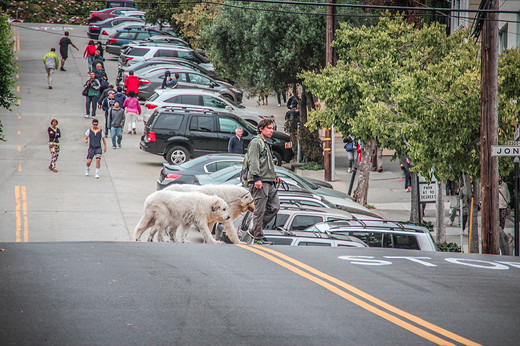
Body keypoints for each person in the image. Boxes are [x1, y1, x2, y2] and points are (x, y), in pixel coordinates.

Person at [245, 119, 281, 245]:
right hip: (260, 182)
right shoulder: (256, 142)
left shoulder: (266, 143)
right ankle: (258, 236)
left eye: (272, 128)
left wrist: (275, 176)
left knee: (275, 206)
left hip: (269, 181)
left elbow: (269, 164)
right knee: (259, 210)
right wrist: (256, 179)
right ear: (261, 129)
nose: (271, 131)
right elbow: (253, 161)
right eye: (269, 128)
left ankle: (254, 229)